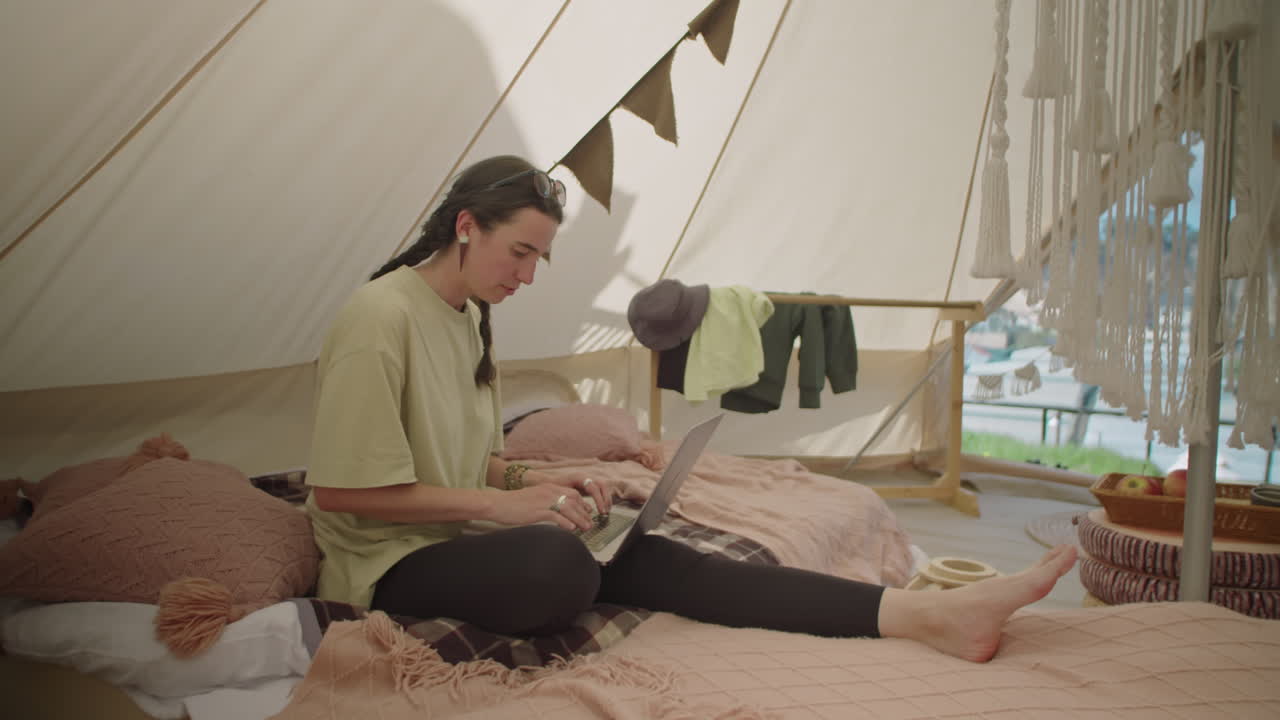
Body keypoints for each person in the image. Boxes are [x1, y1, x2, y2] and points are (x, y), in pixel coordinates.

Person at [304, 155, 1078, 663]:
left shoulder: (470, 314)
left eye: (540, 257)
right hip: (386, 565)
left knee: (648, 549)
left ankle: (925, 616)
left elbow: (472, 463)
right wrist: (505, 509)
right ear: (467, 227)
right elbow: (340, 492)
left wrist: (536, 485)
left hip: (456, 537)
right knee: (558, 564)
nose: (530, 276)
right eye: (521, 253)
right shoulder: (380, 319)